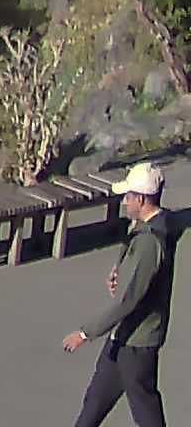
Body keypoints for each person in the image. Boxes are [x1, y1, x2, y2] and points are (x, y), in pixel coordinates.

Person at [67, 159, 176, 427]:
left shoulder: (150, 240)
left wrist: (85, 333)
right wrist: (121, 269)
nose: (124, 202)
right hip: (123, 338)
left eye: (128, 196)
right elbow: (136, 274)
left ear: (141, 199)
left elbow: (128, 300)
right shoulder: (148, 229)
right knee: (94, 403)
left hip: (137, 344)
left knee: (146, 411)